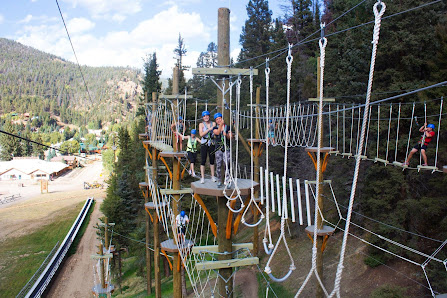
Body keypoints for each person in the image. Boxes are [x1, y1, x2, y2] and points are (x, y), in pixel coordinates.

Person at [213, 113, 233, 188]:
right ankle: (219, 179)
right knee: (218, 164)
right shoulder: (215, 128)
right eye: (217, 119)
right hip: (218, 148)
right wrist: (221, 126)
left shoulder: (227, 127)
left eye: (219, 118)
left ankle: (227, 180)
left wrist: (226, 134)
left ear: (222, 118)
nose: (218, 120)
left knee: (227, 163)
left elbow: (230, 137)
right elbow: (217, 133)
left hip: (226, 147)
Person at [198, 111, 217, 184]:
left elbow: (216, 132)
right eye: (204, 116)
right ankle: (202, 177)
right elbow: (201, 134)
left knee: (212, 160)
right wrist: (209, 129)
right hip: (204, 143)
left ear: (209, 116)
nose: (206, 117)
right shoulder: (201, 124)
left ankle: (212, 176)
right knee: (203, 160)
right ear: (203, 117)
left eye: (207, 116)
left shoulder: (213, 123)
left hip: (212, 142)